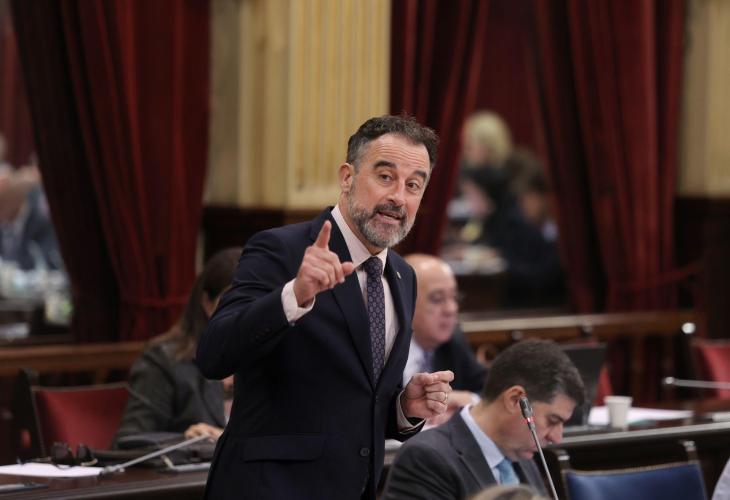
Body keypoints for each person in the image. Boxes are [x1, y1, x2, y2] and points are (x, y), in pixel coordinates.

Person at [196, 115, 454, 500]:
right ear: (347, 177)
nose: (399, 197)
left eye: (413, 185)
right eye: (385, 177)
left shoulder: (404, 276)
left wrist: (404, 408)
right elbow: (213, 354)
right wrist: (294, 296)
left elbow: (353, 407)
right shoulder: (281, 249)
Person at [382, 338, 585, 500]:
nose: (557, 438)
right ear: (515, 400)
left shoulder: (523, 455)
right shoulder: (427, 458)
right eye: (553, 420)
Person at [112, 247, 241, 445]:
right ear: (207, 304)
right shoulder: (165, 361)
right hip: (193, 466)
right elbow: (128, 440)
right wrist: (186, 440)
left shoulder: (275, 358)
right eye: (234, 301)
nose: (247, 312)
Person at [403, 253, 487, 422]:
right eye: (437, 299)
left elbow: (491, 390)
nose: (451, 309)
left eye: (454, 297)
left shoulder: (453, 340)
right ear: (404, 302)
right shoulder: (381, 346)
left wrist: (469, 401)